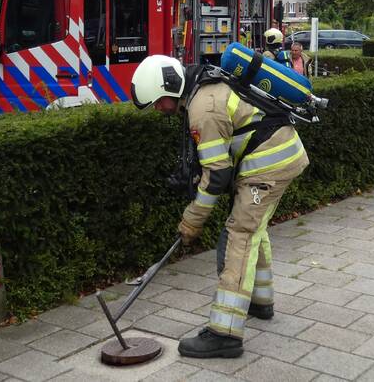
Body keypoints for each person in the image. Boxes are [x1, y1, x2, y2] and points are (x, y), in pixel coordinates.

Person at [130, 55, 310, 359]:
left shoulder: (204, 107)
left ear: (171, 86)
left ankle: (224, 334)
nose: (159, 109)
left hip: (268, 168)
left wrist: (192, 220)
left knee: (240, 235)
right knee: (253, 228)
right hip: (279, 158)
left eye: (159, 101)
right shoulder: (202, 90)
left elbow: (216, 176)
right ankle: (259, 301)